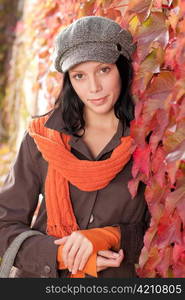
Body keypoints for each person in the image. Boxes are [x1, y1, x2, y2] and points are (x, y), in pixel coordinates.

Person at [0, 16, 150, 278]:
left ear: (122, 68)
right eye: (79, 75)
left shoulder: (146, 142)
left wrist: (110, 237)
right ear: (69, 79)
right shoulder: (44, 137)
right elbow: (5, 225)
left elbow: (162, 231)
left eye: (104, 70)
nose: (94, 88)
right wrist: (60, 254)